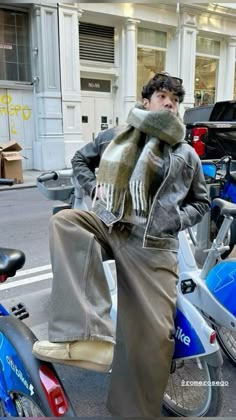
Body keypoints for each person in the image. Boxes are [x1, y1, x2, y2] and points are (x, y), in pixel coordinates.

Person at [32, 72, 210, 417]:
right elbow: (80, 161)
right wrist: (93, 185)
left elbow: (201, 203)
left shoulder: (186, 154)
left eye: (175, 99)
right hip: (110, 224)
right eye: (162, 96)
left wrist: (174, 220)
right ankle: (87, 337)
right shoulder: (117, 135)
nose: (170, 103)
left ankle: (135, 412)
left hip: (154, 244)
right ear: (147, 101)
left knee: (154, 338)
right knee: (67, 222)